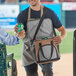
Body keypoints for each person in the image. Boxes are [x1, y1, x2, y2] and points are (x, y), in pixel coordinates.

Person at [15, 0, 66, 76]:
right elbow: (21, 35)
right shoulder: (22, 15)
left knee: (48, 73)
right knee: (31, 74)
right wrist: (19, 33)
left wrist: (61, 37)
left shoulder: (50, 13)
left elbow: (62, 30)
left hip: (45, 49)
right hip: (28, 51)